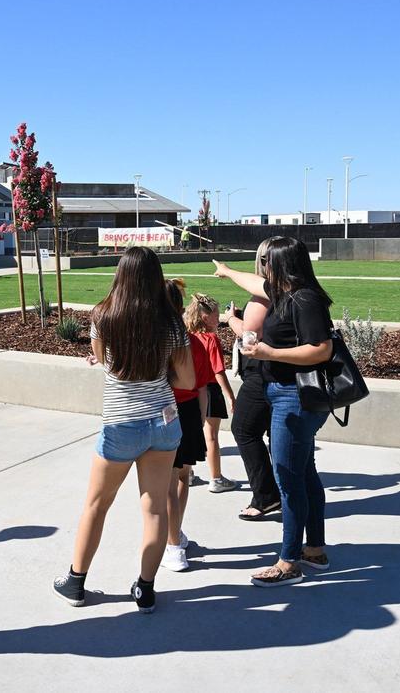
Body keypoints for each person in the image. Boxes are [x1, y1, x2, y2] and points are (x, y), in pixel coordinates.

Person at [52, 247, 195, 613]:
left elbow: (105, 363)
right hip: (163, 422)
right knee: (155, 510)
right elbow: (188, 379)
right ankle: (145, 589)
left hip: (121, 422)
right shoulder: (172, 322)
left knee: (97, 505)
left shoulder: (103, 315)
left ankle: (76, 581)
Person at [214, 236, 333, 587]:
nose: (263, 267)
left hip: (293, 399)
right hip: (284, 394)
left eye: (268, 261)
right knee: (305, 473)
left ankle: (288, 562)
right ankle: (314, 550)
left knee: (288, 479)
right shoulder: (285, 291)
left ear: (282, 264)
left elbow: (321, 350)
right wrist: (226, 271)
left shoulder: (305, 299)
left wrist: (269, 354)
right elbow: (252, 282)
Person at [221, 239, 280, 521]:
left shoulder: (265, 295)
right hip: (284, 374)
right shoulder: (298, 291)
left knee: (244, 430)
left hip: (262, 373)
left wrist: (231, 318)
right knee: (274, 436)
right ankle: (279, 492)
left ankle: (266, 496)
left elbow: (248, 335)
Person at [160, 279, 211, 573]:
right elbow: (202, 387)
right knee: (182, 477)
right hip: (190, 411)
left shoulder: (156, 342)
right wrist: (201, 420)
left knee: (170, 482)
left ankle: (173, 544)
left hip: (167, 410)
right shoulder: (195, 342)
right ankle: (175, 534)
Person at [184, 293, 238, 493]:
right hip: (211, 390)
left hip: (192, 390)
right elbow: (218, 371)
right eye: (216, 315)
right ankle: (216, 478)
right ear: (205, 317)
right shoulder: (211, 339)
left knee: (191, 432)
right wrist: (231, 396)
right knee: (211, 436)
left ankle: (187, 473)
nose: (219, 318)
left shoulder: (189, 337)